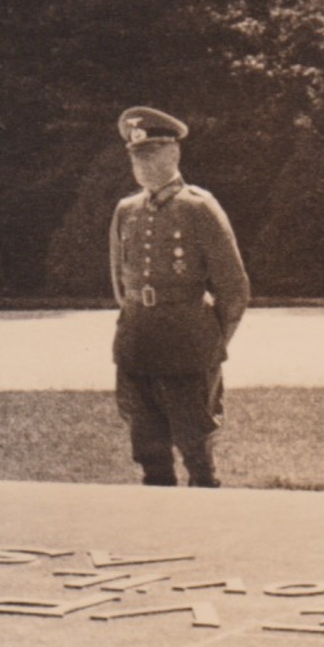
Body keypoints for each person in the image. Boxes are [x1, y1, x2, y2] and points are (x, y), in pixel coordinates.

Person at [109, 106, 250, 487]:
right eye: (137, 156)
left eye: (153, 154)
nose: (144, 164)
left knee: (196, 449)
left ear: (174, 153)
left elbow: (234, 289)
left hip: (187, 343)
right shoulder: (127, 210)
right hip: (138, 342)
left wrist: (212, 340)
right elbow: (121, 284)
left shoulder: (198, 207)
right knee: (149, 451)